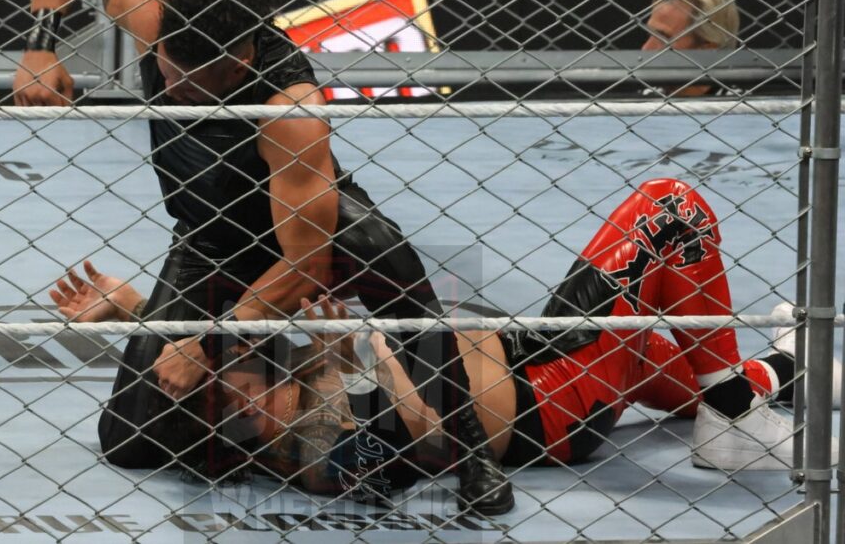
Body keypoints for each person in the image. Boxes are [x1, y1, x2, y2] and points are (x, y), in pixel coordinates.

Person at [14, 0, 512, 514]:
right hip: (209, 235)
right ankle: (269, 385)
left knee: (398, 275)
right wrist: (42, 48)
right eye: (167, 70)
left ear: (241, 62)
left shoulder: (292, 112)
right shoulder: (155, 11)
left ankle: (473, 453)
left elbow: (305, 264)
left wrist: (211, 341)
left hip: (306, 229)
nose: (171, 90)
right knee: (132, 441)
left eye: (192, 84)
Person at [53, 178, 836, 507]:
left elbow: (210, 340)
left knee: (694, 360)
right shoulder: (313, 448)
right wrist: (366, 349)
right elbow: (433, 438)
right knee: (672, 209)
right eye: (229, 381)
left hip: (539, 354)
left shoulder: (272, 389)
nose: (238, 364)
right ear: (236, 417)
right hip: (553, 394)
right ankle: (735, 405)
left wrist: (127, 308)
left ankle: (771, 372)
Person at [640, 0, 741, 97]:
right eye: (650, 34)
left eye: (663, 39)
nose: (646, 49)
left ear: (707, 50)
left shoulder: (741, 109)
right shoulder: (647, 98)